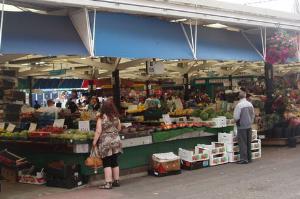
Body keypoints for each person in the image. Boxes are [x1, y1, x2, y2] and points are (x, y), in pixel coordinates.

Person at [92, 102, 122, 189]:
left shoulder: (101, 117)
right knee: (114, 161)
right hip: (116, 140)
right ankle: (116, 181)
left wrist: (94, 142)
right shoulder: (116, 117)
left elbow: (98, 131)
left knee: (106, 162)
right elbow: (119, 128)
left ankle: (108, 183)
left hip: (106, 142)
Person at [234, 91, 255, 164]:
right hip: (249, 125)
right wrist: (250, 122)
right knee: (248, 142)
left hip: (241, 126)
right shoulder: (250, 104)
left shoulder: (239, 105)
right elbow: (253, 115)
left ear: (239, 97)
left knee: (242, 143)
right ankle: (249, 158)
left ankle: (244, 159)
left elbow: (236, 117)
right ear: (245, 96)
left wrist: (237, 122)